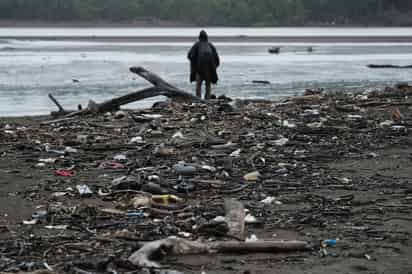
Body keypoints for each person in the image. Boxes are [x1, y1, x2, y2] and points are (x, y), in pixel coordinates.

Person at [188, 30, 220, 100]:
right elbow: (217, 59)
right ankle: (207, 99)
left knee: (198, 85)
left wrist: (194, 65)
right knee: (208, 85)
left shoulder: (197, 45)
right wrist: (214, 68)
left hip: (199, 69)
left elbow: (190, 55)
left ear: (199, 37)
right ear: (206, 37)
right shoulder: (210, 45)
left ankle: (198, 99)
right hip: (209, 69)